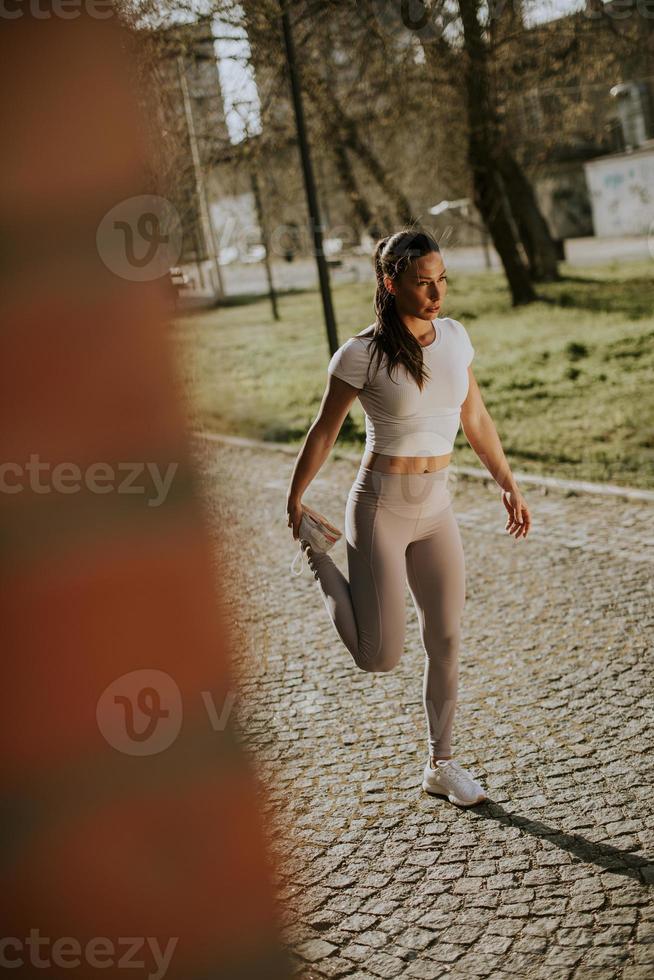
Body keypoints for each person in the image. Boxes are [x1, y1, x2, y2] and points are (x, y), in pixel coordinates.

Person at [286, 228, 531, 807]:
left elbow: (476, 418)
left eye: (441, 279)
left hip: (437, 507)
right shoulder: (359, 353)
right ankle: (318, 554)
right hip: (379, 508)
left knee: (445, 637)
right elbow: (325, 431)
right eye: (423, 283)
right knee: (379, 656)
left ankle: (441, 765)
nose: (436, 293)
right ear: (390, 282)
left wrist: (507, 483)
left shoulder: (455, 339)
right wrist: (295, 499)